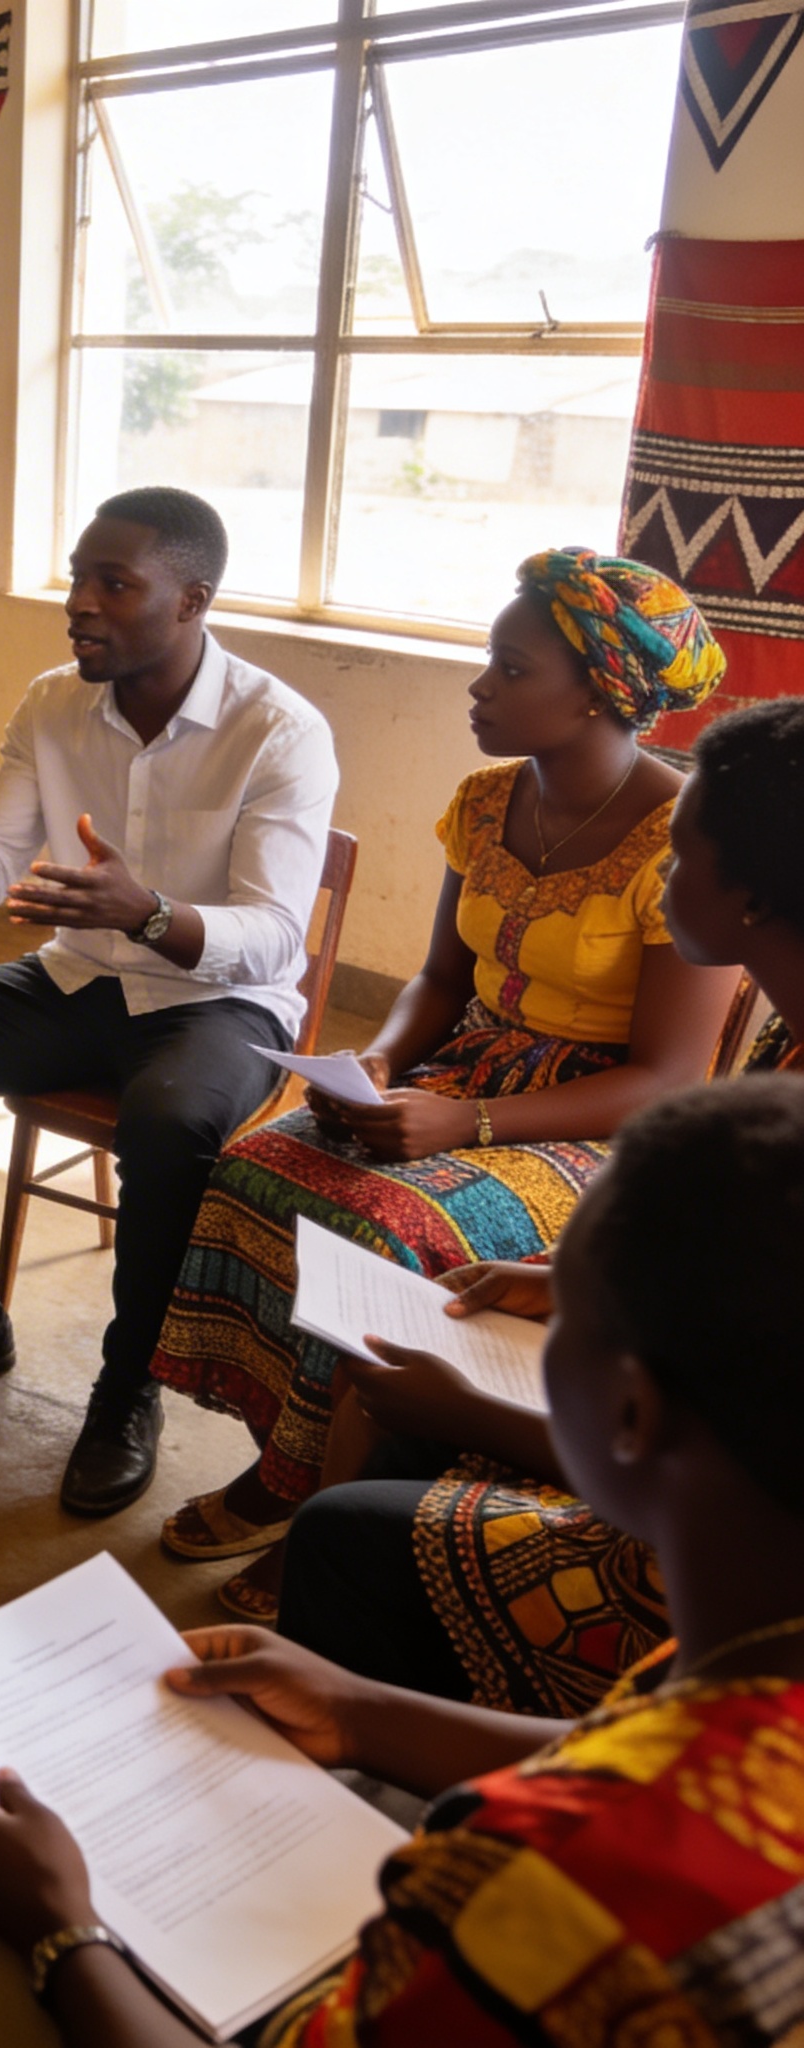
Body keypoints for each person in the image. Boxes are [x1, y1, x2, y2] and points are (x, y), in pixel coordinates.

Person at [0, 1074, 804, 2047]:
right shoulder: (751, 1649)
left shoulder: (545, 1883)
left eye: (557, 1328)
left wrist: (59, 1928)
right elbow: (628, 1744)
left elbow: (604, 1812)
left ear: (630, 1414)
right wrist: (358, 1709)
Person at [148, 549, 738, 1620]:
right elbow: (437, 977)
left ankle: (322, 1508)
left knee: (381, 1225)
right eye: (486, 663)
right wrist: (377, 1062)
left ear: (600, 689)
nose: (477, 688)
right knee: (249, 1168)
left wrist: (461, 1120)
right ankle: (286, 1463)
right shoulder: (480, 801)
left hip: (594, 1123)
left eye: (507, 670)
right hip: (459, 1070)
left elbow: (664, 1079)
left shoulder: (680, 839)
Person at [278, 694, 804, 1717]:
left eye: (677, 856)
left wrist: (478, 1411)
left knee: (345, 1534)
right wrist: (556, 1283)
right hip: (717, 1466)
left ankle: (393, 1774)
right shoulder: (785, 1034)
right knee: (394, 1381)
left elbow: (744, 1468)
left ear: (747, 897)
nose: (656, 873)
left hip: (725, 1588)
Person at [0, 487, 338, 1515]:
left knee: (169, 1117)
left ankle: (125, 1384)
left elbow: (276, 937)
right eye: (75, 576)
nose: (78, 603)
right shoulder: (53, 700)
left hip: (214, 1001)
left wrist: (149, 913)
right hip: (78, 977)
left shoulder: (278, 730)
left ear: (191, 599)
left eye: (113, 583)